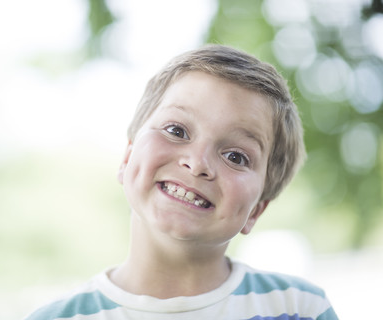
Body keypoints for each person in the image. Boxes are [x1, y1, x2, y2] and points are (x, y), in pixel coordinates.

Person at [24, 45, 338, 320]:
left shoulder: (302, 309)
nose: (198, 162)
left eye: (236, 157)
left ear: (256, 210)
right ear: (127, 158)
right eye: (176, 131)